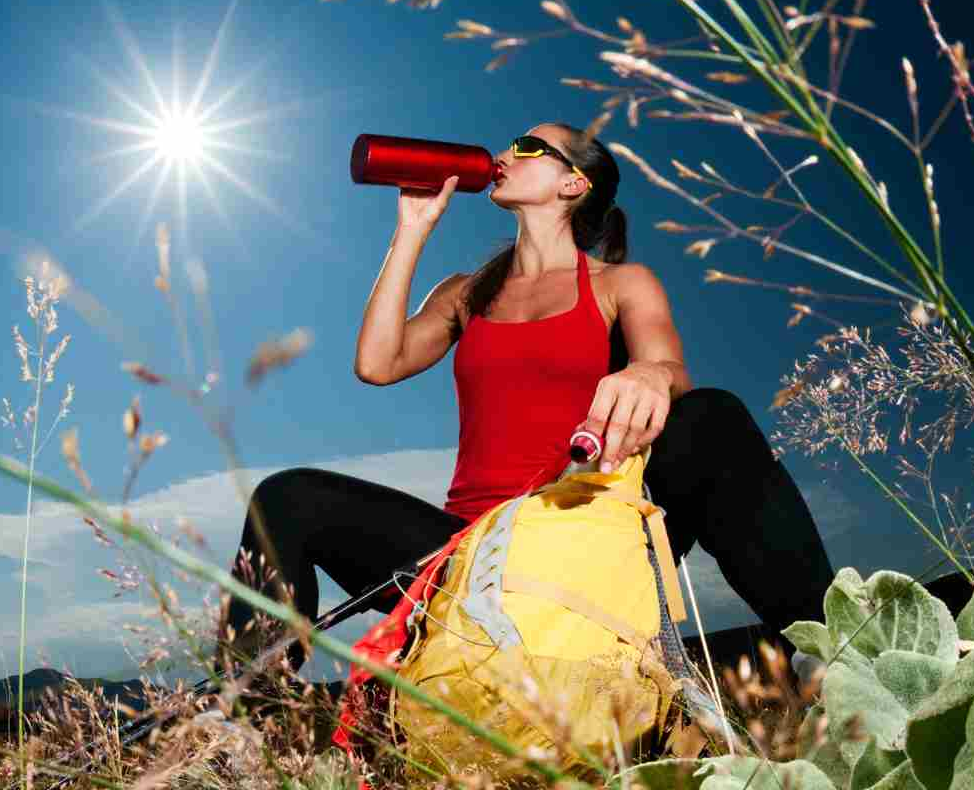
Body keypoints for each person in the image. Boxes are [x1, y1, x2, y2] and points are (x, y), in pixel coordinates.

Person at [217, 123, 835, 678]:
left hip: (583, 530)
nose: (507, 152)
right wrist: (411, 231)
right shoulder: (465, 293)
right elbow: (378, 365)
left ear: (573, 183)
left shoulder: (621, 284)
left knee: (712, 417)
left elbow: (672, 372)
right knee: (287, 498)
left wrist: (650, 373)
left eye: (529, 146)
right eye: (511, 142)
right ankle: (244, 721)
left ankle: (830, 651)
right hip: (469, 553)